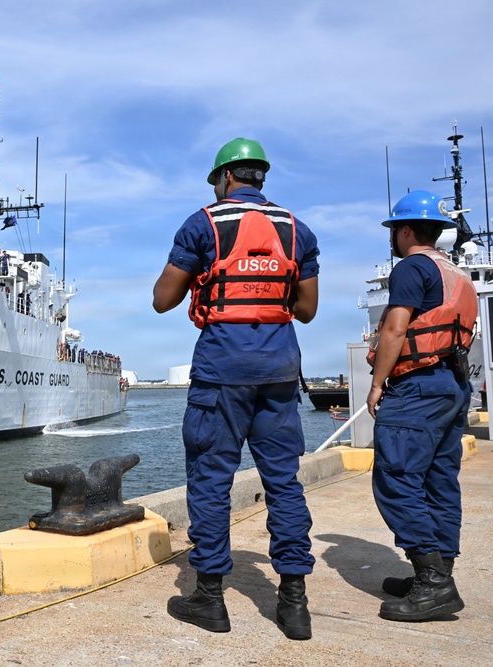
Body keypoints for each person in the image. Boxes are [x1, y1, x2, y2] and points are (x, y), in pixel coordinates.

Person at [152, 137, 320, 640]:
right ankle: (293, 604)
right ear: (260, 178)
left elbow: (163, 299)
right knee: (283, 482)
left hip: (222, 370)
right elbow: (307, 310)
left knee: (210, 479)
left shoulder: (203, 223)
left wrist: (207, 279)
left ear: (225, 178)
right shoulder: (297, 230)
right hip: (279, 371)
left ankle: (210, 599)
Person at [365, 190, 477, 623]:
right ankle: (437, 572)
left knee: (396, 477)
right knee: (438, 479)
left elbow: (395, 330)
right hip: (452, 383)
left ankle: (434, 584)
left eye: (395, 230)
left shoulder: (412, 268)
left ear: (405, 230)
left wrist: (377, 384)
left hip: (418, 389)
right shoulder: (456, 273)